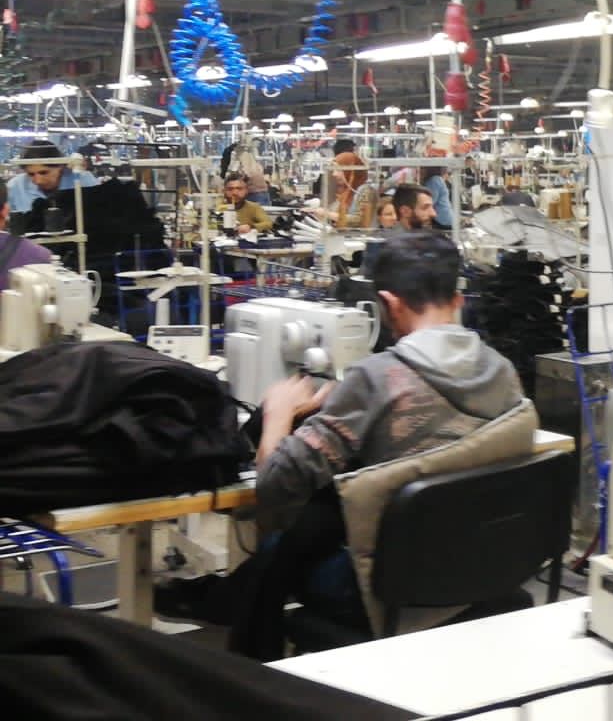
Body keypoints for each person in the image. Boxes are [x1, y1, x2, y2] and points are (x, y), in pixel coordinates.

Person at [186, 231, 524, 629]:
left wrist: (278, 411)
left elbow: (273, 487)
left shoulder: (376, 378)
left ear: (388, 303)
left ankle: (227, 619)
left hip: (392, 591)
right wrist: (347, 405)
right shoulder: (504, 373)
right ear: (458, 300)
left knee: (284, 546)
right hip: (485, 569)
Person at [8, 139, 98, 214]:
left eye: (44, 172)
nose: (38, 181)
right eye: (31, 174)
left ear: (60, 166)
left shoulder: (84, 181)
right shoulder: (16, 187)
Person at [419, 164, 455, 229]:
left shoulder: (434, 180)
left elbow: (430, 201)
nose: (421, 170)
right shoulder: (437, 179)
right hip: (445, 218)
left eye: (423, 168)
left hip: (442, 220)